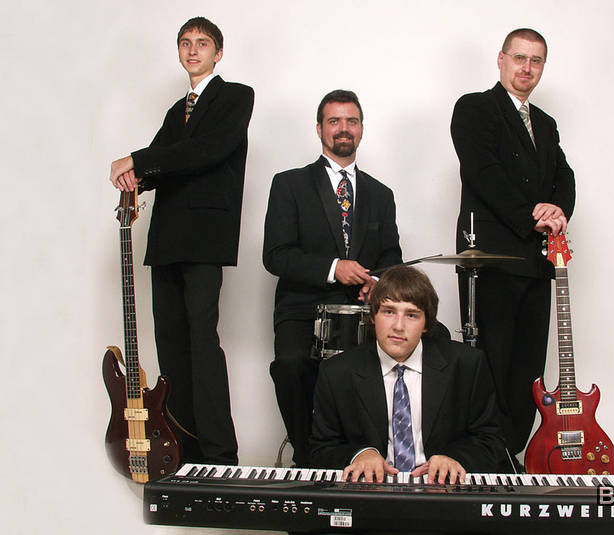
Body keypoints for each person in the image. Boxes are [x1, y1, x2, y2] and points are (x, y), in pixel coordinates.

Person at [108, 16, 254, 465]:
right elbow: (162, 163)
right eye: (186, 43)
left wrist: (137, 159)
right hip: (167, 238)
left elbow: (205, 151)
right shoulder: (177, 111)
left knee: (202, 341)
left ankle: (220, 454)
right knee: (170, 343)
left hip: (205, 239)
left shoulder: (236, 97)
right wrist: (136, 177)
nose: (193, 50)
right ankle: (184, 447)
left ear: (218, 53)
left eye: (202, 43)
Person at [450, 28, 575, 468]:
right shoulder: (474, 108)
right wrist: (531, 216)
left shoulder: (546, 123)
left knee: (528, 370)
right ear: (501, 59)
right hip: (492, 260)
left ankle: (512, 456)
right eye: (519, 58)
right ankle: (489, 456)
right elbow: (484, 173)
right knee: (493, 365)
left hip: (537, 262)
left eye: (536, 60)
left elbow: (564, 176)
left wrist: (558, 210)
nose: (527, 68)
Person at [263, 90, 402, 467]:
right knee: (291, 365)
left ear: (361, 129)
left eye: (351, 121)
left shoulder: (381, 194)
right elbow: (275, 255)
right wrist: (333, 267)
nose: (344, 128)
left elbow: (392, 257)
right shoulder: (289, 184)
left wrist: (377, 281)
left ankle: (370, 457)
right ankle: (308, 459)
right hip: (302, 309)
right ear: (319, 129)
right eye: (334, 121)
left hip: (362, 313)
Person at [310, 265, 504, 483]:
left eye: (411, 315)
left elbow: (491, 441)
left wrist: (454, 458)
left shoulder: (467, 364)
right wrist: (359, 454)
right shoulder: (336, 373)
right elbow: (320, 450)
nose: (398, 326)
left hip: (441, 488)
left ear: (426, 324)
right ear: (373, 316)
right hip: (370, 490)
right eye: (389, 312)